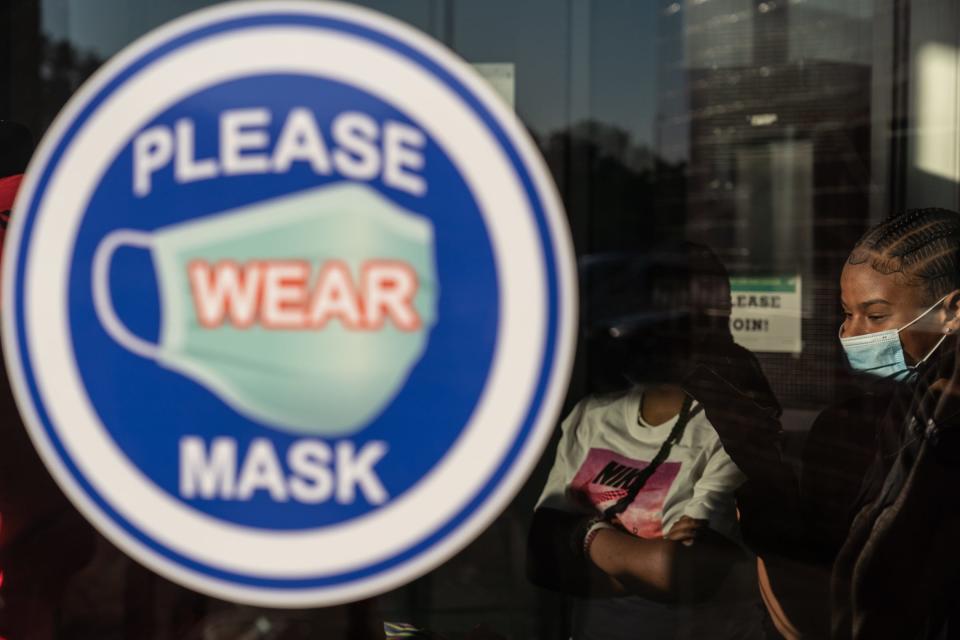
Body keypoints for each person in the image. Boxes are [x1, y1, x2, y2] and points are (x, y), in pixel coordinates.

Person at [697, 207, 960, 639]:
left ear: (951, 312)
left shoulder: (943, 437)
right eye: (847, 313)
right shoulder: (856, 423)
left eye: (875, 316)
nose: (852, 334)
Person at [527, 243, 773, 640]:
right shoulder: (593, 415)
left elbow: (683, 576)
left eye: (685, 319)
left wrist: (579, 538)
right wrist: (642, 560)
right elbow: (541, 560)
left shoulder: (727, 427)